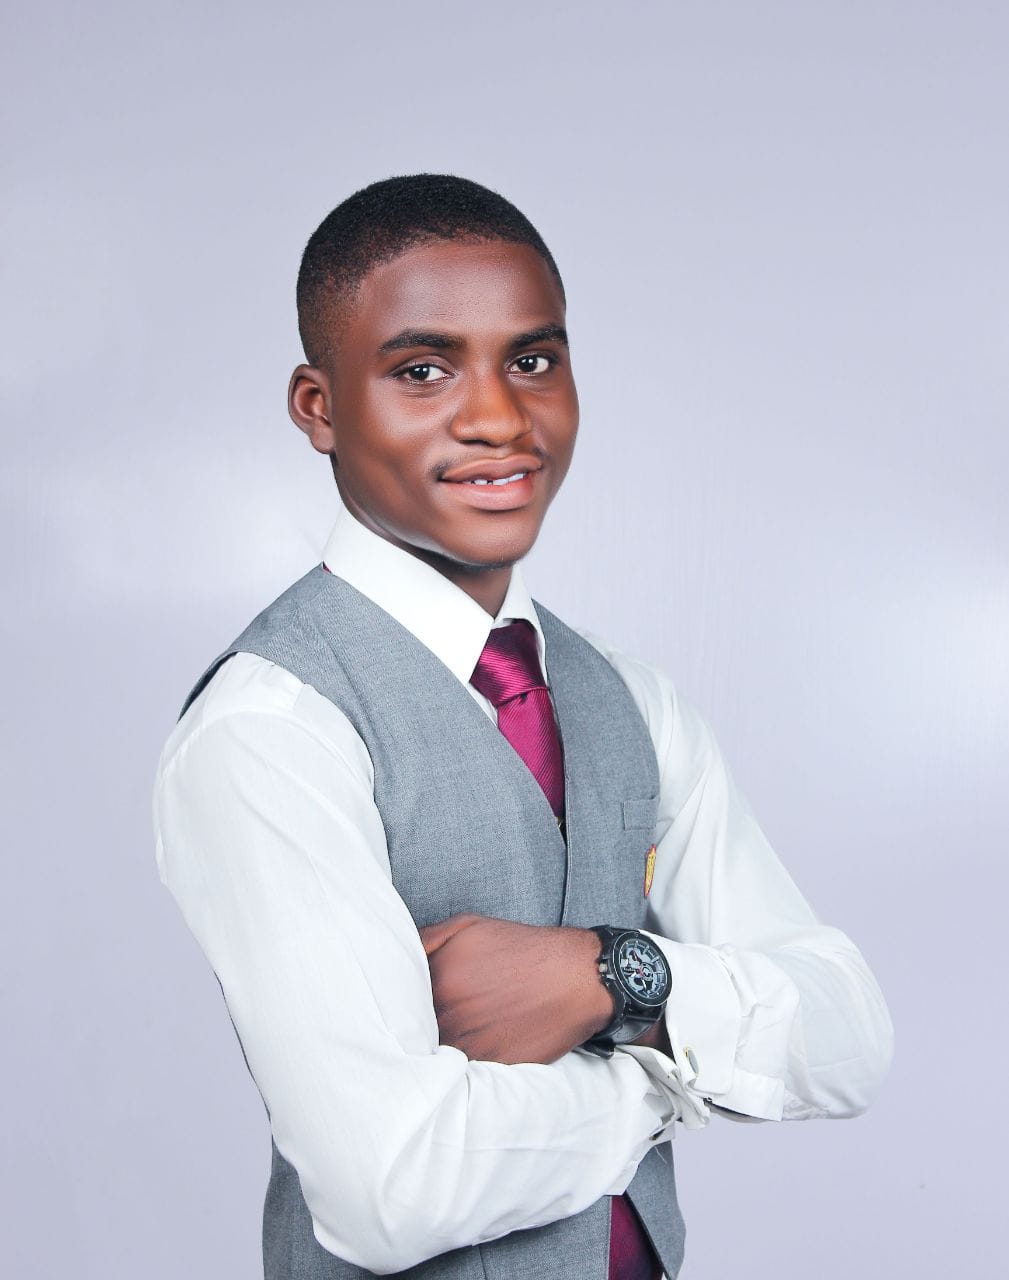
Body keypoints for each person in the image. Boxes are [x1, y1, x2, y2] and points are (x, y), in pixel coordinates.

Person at [153, 174, 893, 1280]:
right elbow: (389, 1187)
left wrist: (614, 975)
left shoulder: (631, 699)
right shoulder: (274, 727)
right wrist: (666, 1074)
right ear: (319, 407)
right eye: (422, 369)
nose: (499, 417)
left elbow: (847, 1037)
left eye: (533, 361)